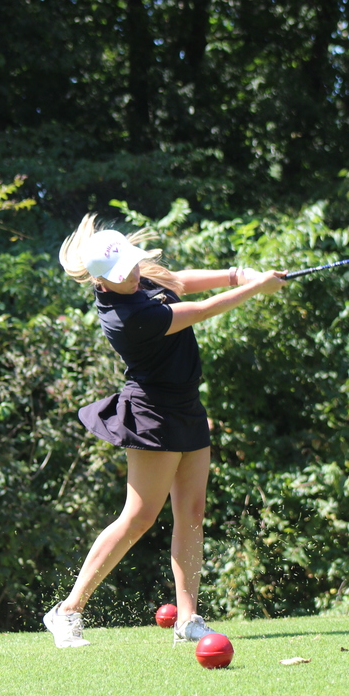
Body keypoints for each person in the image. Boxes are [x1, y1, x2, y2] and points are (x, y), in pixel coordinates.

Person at [43, 214, 286, 648]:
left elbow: (180, 281)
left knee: (192, 515)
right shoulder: (125, 317)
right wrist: (255, 289)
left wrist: (236, 273)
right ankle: (67, 611)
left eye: (134, 266)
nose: (136, 275)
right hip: (151, 413)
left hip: (187, 406)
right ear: (101, 282)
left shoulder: (137, 276)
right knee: (138, 518)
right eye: (124, 274)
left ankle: (188, 620)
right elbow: (204, 309)